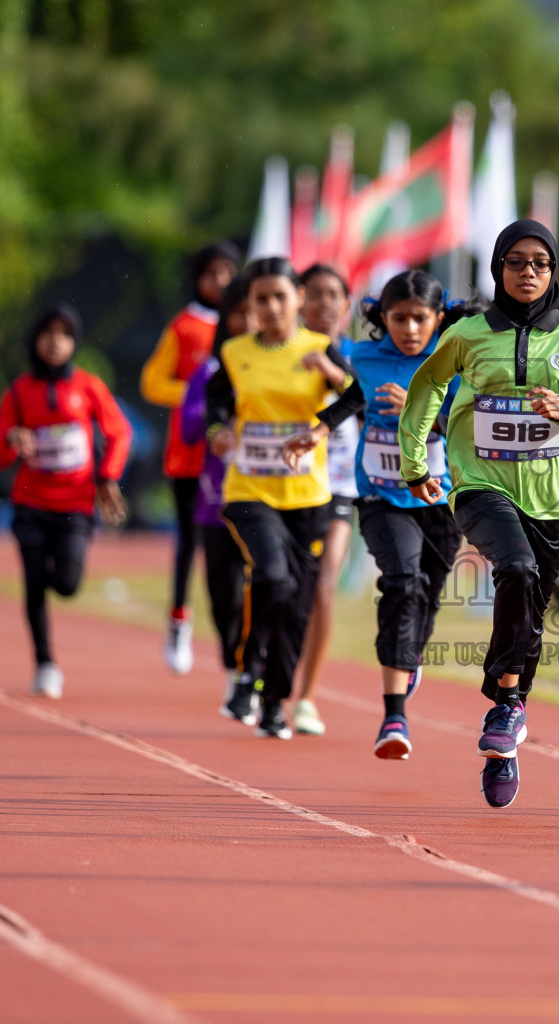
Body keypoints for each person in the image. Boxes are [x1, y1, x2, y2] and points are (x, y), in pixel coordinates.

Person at [397, 220, 559, 807]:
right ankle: (507, 701)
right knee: (514, 569)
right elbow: (424, 391)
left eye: (539, 263)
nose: (528, 273)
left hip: (553, 497)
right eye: (515, 262)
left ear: (553, 271)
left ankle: (507, 727)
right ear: (498, 269)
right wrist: (416, 463)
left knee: (531, 613)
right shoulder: (466, 334)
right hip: (479, 485)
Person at [285, 270, 481, 759]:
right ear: (383, 318)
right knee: (401, 581)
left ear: (439, 319)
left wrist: (423, 413)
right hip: (380, 494)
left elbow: (468, 422)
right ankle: (394, 715)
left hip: (440, 498)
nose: (410, 329)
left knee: (427, 596)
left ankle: (408, 656)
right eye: (399, 318)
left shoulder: (457, 358)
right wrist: (319, 429)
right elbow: (356, 394)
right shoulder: (367, 356)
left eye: (420, 319)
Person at [206, 256, 352, 740]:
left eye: (279, 298)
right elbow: (216, 399)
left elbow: (359, 396)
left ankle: (273, 700)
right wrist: (217, 431)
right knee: (270, 574)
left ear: (298, 301)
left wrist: (322, 415)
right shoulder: (235, 352)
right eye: (260, 299)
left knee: (296, 604)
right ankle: (248, 673)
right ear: (249, 304)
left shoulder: (319, 346)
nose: (270, 307)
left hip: (308, 497)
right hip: (250, 490)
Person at [0, 305, 131, 698]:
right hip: (30, 503)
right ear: (35, 340)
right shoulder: (18, 391)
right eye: (47, 333)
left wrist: (107, 477)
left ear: (74, 342)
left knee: (67, 584)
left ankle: (57, 571)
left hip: (75, 503)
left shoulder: (88, 386)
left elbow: (119, 432)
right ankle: (45, 662)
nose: (55, 341)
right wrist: (13, 440)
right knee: (34, 581)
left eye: (64, 334)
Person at [141, 240, 242, 675]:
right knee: (188, 542)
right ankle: (179, 619)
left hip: (239, 457)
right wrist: (198, 397)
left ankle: (240, 642)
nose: (219, 281)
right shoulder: (184, 326)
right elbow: (151, 381)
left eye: (227, 272)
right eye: (211, 272)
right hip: (190, 455)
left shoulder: (248, 325)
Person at [287, 263, 360, 737]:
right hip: (287, 481)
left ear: (347, 306)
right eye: (314, 293)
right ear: (298, 300)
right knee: (282, 585)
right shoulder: (281, 352)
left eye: (334, 294)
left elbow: (364, 398)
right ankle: (262, 672)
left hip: (339, 481)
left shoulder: (361, 355)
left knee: (324, 583)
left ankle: (307, 697)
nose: (324, 302)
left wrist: (331, 369)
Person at [179, 275, 254, 708]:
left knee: (267, 583)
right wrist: (215, 427)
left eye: (253, 311)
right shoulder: (208, 370)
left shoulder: (287, 366)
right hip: (216, 501)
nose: (247, 321)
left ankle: (256, 672)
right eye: (238, 313)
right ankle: (233, 667)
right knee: (223, 591)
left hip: (271, 496)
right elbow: (191, 428)